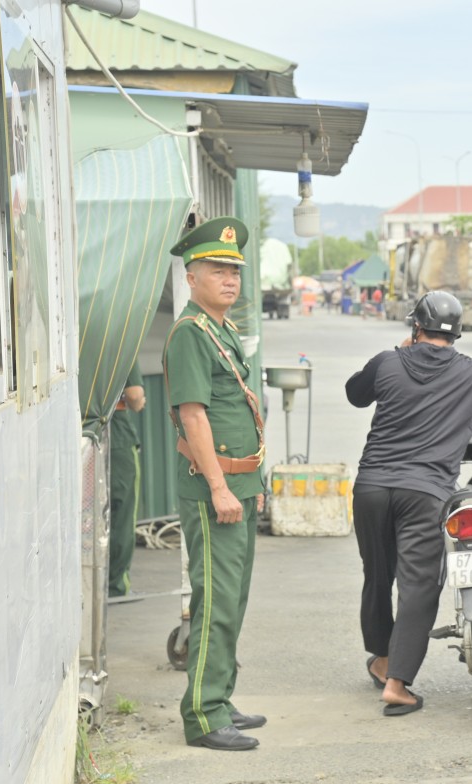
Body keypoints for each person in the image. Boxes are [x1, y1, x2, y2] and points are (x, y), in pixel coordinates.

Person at [345, 291, 472, 716]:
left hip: (372, 489)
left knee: (377, 576)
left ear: (415, 327)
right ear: (456, 333)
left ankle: (380, 659)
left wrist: (398, 352)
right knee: (418, 585)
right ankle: (396, 683)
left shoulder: (387, 362)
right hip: (426, 493)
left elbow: (355, 394)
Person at [162, 217, 267, 751]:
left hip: (240, 485)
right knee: (216, 600)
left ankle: (220, 697)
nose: (229, 279)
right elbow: (196, 417)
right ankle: (203, 716)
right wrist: (221, 488)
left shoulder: (219, 329)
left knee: (234, 599)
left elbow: (240, 409)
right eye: (217, 270)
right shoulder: (189, 334)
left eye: (234, 271)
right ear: (191, 277)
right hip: (214, 490)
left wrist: (253, 480)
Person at [108, 360, 146, 597]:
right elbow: (134, 395)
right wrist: (139, 403)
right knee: (121, 513)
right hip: (116, 435)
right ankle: (116, 585)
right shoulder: (122, 340)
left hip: (77, 430)